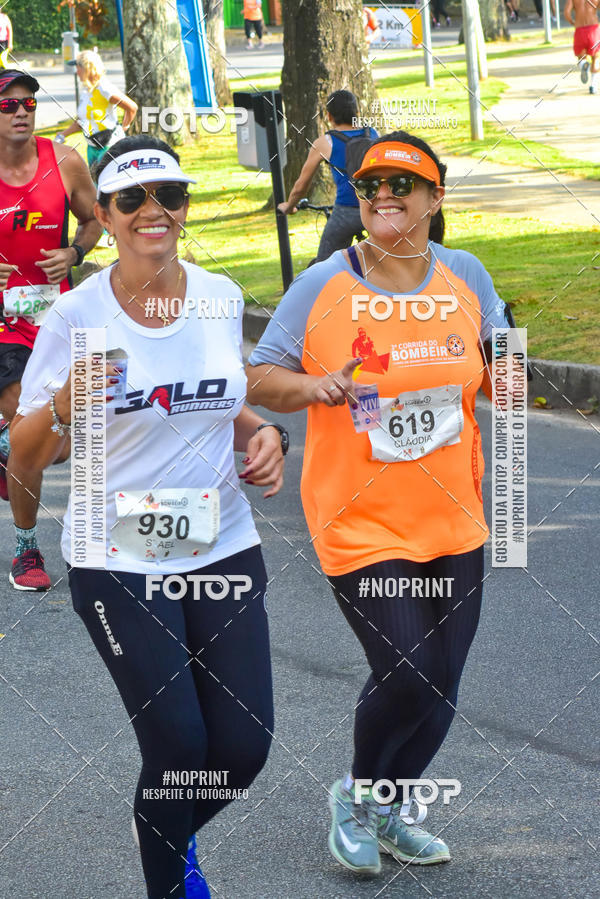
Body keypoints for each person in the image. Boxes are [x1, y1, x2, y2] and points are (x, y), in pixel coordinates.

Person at [10, 135, 287, 899]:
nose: (151, 211)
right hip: (116, 555)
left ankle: (161, 823)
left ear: (185, 209)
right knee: (177, 744)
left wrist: (265, 432)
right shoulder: (75, 314)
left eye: (168, 195)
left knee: (243, 745)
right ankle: (171, 878)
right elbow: (26, 454)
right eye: (131, 199)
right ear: (103, 213)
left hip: (221, 541)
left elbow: (223, 399)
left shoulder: (219, 295)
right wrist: (65, 402)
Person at [247, 131, 513, 876]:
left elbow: (498, 373)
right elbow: (260, 375)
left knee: (443, 684)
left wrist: (514, 379)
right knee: (410, 669)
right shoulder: (325, 284)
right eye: (369, 187)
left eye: (403, 182)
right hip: (358, 518)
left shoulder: (465, 274)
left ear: (436, 197)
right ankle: (356, 796)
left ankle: (391, 808)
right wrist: (315, 387)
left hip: (453, 517)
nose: (384, 196)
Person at [0, 69, 102, 590]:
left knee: (57, 442)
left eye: (28, 103)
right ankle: (27, 550)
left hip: (55, 318)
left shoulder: (62, 161)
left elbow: (96, 218)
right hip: (2, 325)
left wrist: (75, 252)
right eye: (8, 105)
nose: (21, 112)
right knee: (25, 426)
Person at [278, 90, 377, 263]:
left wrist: (289, 206)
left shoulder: (325, 142)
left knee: (325, 266)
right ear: (357, 112)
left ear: (329, 116)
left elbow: (301, 186)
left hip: (346, 211)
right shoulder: (373, 134)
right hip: (375, 209)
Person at [55, 49, 138, 166]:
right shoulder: (87, 91)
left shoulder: (104, 88)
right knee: (94, 183)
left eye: (78, 67)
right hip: (92, 147)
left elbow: (132, 107)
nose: (76, 71)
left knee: (106, 182)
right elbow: (81, 122)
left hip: (109, 146)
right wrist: (62, 135)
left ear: (86, 68)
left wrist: (124, 126)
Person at [565, 0, 600, 94]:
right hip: (593, 28)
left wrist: (572, 22)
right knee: (596, 57)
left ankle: (584, 64)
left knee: (581, 56)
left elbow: (567, 12)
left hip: (579, 29)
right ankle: (593, 86)